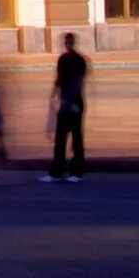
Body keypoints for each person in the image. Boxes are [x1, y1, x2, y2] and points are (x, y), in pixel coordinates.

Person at [48, 32, 90, 182]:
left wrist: (73, 102)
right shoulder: (62, 59)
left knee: (76, 137)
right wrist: (53, 96)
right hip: (64, 102)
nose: (68, 45)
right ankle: (57, 171)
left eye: (71, 42)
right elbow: (58, 79)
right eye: (66, 42)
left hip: (75, 103)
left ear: (74, 43)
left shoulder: (80, 61)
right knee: (60, 138)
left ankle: (77, 171)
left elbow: (79, 82)